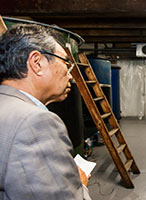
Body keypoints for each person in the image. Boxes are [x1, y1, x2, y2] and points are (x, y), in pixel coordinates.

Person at [0, 24, 91, 199]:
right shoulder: (34, 123)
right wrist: (79, 184)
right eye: (66, 63)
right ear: (37, 63)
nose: (70, 76)